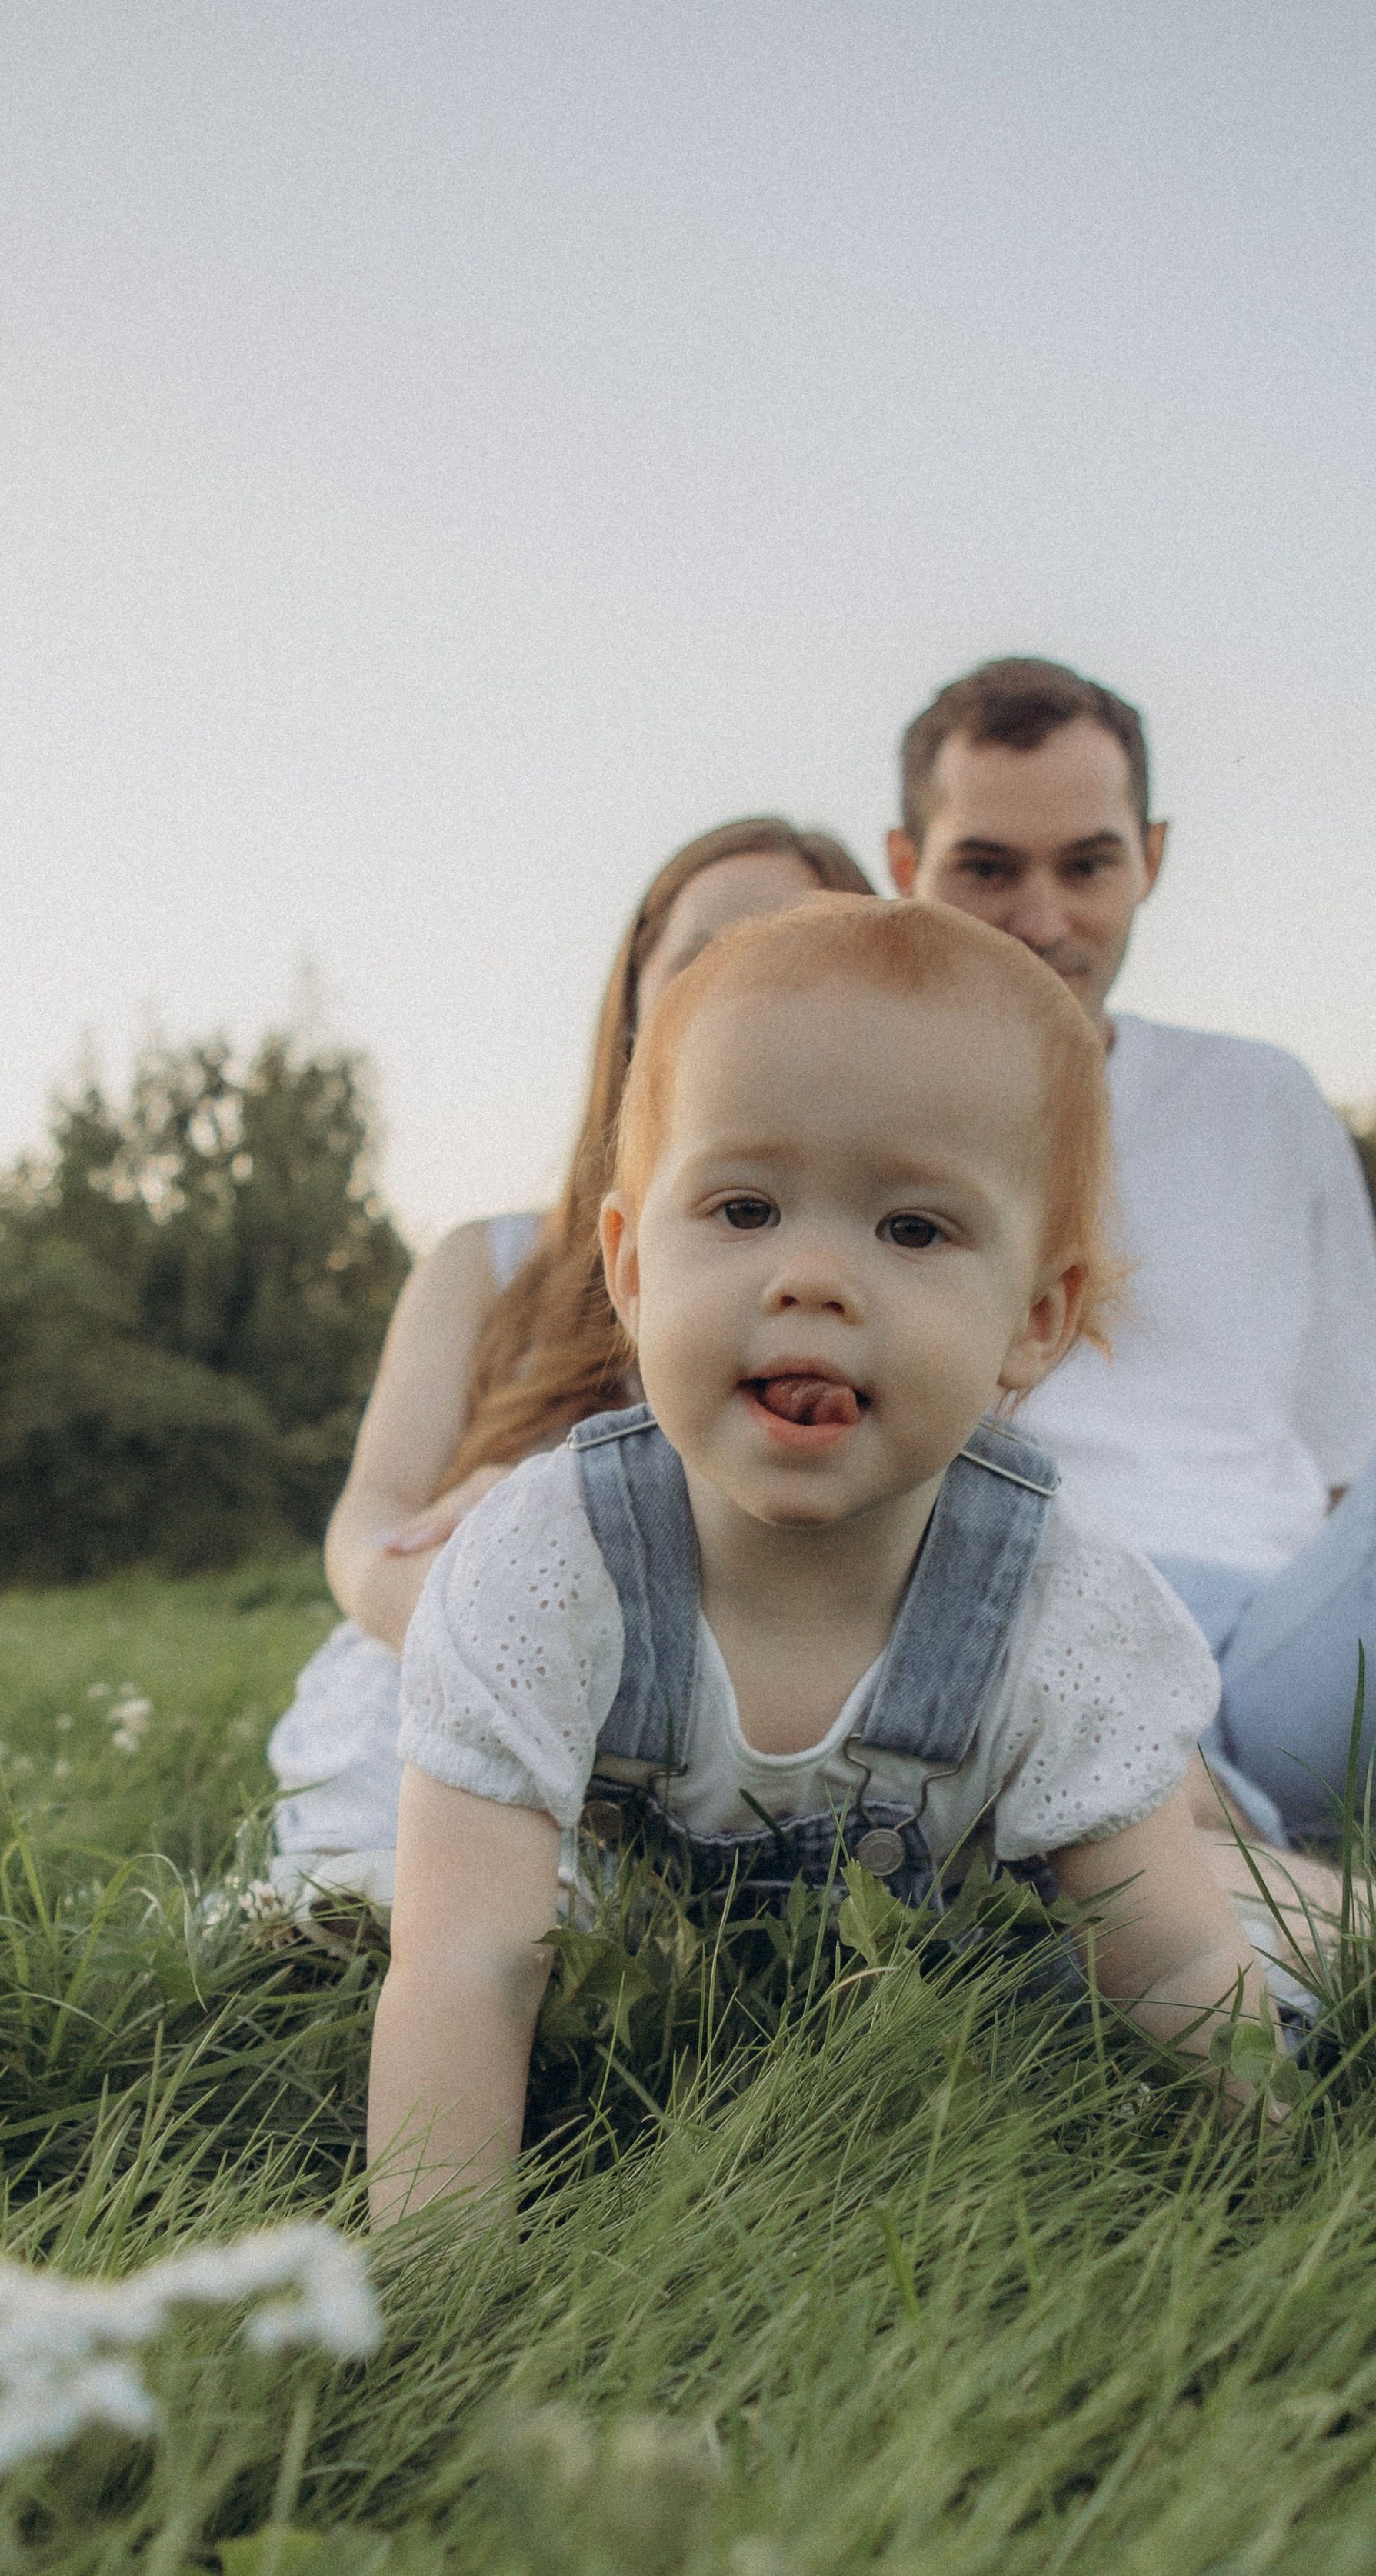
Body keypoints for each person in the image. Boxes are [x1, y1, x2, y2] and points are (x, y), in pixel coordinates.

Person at [367, 899, 1265, 2227]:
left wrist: (1272, 2193)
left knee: (1209, 1962)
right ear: (628, 1266)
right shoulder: (551, 1565)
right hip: (630, 2014)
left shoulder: (1058, 1607)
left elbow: (1173, 1963)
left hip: (960, 2012)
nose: (814, 1278)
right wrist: (440, 2290)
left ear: (1035, 1319)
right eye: (744, 1207)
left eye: (913, 1230)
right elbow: (468, 1958)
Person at [268, 817, 876, 1907]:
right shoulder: (487, 1264)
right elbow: (370, 1518)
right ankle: (360, 1901)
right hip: (454, 1661)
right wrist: (463, 1596)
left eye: (790, 955)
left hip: (716, 1714)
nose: (739, 986)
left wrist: (558, 1515)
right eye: (701, 954)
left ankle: (536, 1923)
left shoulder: (861, 1286)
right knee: (406, 1741)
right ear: (636, 994)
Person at [888, 659, 1376, 1847]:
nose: (1045, 922)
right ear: (908, 870)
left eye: (1088, 865)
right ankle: (1236, 1861)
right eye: (989, 868)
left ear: (1150, 858)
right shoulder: (859, 1122)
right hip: (1028, 1634)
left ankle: (1237, 1842)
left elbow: (1343, 1457)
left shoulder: (1265, 1099)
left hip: (1285, 1642)